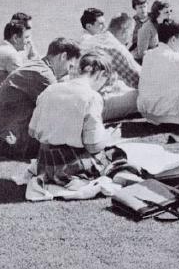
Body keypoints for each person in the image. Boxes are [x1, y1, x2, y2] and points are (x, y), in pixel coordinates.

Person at [29, 51, 121, 186]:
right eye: (104, 82)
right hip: (71, 166)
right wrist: (108, 138)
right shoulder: (92, 97)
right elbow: (93, 146)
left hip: (44, 163)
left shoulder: (50, 89)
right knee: (116, 154)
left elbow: (32, 131)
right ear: (101, 74)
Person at [0, 38, 81, 159]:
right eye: (70, 65)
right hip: (12, 143)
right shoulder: (44, 75)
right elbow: (63, 111)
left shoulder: (38, 65)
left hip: (1, 137)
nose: (69, 71)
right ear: (63, 56)